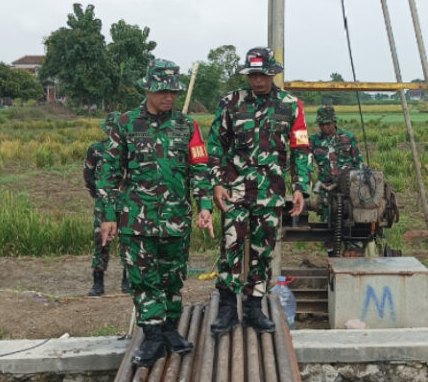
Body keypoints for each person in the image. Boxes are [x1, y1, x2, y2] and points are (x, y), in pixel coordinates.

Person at [97, 59, 214, 366]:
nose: (169, 97)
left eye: (174, 91)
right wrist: (108, 215)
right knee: (144, 279)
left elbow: (200, 169)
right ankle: (152, 337)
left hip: (176, 220)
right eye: (162, 91)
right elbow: (108, 173)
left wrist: (204, 207)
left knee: (173, 278)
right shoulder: (125, 124)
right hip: (136, 220)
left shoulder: (187, 126)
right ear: (148, 88)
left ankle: (170, 330)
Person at [207, 47, 313, 335]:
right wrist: (216, 182)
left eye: (263, 75)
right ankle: (227, 308)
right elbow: (215, 146)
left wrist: (301, 186)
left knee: (262, 250)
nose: (258, 81)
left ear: (273, 73)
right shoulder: (230, 103)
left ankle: (254, 306)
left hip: (271, 192)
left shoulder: (291, 105)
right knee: (230, 248)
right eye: (253, 75)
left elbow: (300, 148)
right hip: (235, 190)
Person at [83, 112, 129, 296]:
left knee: (128, 241)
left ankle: (127, 281)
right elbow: (88, 175)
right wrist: (99, 195)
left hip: (127, 202)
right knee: (101, 242)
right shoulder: (96, 149)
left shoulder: (130, 151)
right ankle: (98, 282)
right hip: (104, 203)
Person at [309, 105, 364, 256]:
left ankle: (353, 254)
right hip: (327, 191)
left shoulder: (348, 137)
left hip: (348, 189)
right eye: (322, 124)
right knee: (330, 228)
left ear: (334, 122)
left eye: (328, 123)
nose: (325, 127)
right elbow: (304, 162)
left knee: (352, 222)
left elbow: (358, 162)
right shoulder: (313, 141)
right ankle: (333, 257)